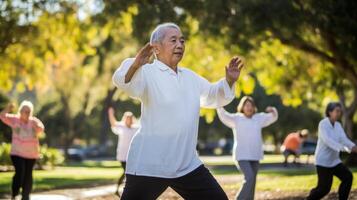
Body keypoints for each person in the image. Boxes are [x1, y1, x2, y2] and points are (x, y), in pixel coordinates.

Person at [112, 22, 244, 200]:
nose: (180, 45)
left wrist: (228, 81)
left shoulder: (190, 77)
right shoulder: (148, 72)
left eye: (182, 41)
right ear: (156, 48)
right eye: (173, 40)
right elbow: (124, 83)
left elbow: (214, 95)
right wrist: (136, 65)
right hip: (150, 164)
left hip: (186, 164)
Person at [216, 96, 278, 200]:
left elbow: (273, 117)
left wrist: (273, 110)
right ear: (242, 107)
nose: (249, 107)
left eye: (251, 105)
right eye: (247, 105)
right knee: (249, 177)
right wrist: (219, 104)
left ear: (254, 107)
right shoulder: (237, 118)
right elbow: (224, 116)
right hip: (241, 156)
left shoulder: (258, 118)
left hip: (255, 155)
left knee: (253, 180)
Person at [307, 102, 357, 200]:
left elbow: (344, 139)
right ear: (329, 112)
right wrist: (345, 149)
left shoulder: (338, 125)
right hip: (323, 162)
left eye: (340, 111)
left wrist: (353, 146)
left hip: (335, 161)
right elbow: (328, 141)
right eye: (337, 111)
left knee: (348, 177)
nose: (339, 113)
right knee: (324, 189)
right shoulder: (323, 124)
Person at [0, 101, 45, 200]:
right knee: (20, 172)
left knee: (28, 174)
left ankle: (26, 195)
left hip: (31, 154)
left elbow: (41, 128)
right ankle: (14, 193)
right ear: (20, 111)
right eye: (25, 111)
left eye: (29, 111)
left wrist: (36, 128)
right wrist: (8, 108)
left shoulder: (33, 121)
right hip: (17, 153)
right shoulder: (14, 120)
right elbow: (2, 116)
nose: (27, 113)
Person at [107, 106, 139, 196]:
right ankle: (121, 190)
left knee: (129, 172)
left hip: (132, 155)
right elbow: (113, 123)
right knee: (127, 172)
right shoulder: (121, 127)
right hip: (122, 155)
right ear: (125, 119)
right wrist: (110, 114)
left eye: (130, 118)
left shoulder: (135, 128)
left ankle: (121, 190)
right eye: (127, 118)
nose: (129, 120)